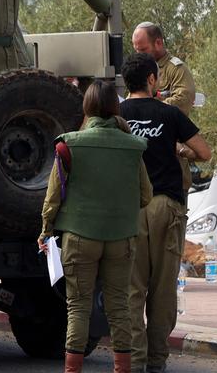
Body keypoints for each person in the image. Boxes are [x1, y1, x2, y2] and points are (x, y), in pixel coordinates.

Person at [40, 79, 151, 373]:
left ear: (86, 107)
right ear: (116, 107)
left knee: (78, 308)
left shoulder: (69, 145)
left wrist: (46, 231)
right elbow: (145, 195)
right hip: (121, 238)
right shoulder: (133, 147)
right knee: (119, 309)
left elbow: (53, 197)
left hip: (78, 237)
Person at [120, 53, 212, 373]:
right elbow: (204, 152)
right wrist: (179, 148)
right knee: (162, 289)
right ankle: (156, 361)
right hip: (166, 207)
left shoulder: (116, 115)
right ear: (151, 80)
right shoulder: (170, 114)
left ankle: (133, 359)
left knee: (131, 289)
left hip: (127, 210)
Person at [131, 22, 201, 190]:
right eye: (136, 50)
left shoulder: (176, 69)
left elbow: (183, 100)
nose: (138, 55)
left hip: (171, 158)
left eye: (143, 50)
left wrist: (149, 106)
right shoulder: (138, 70)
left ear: (158, 43)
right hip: (143, 164)